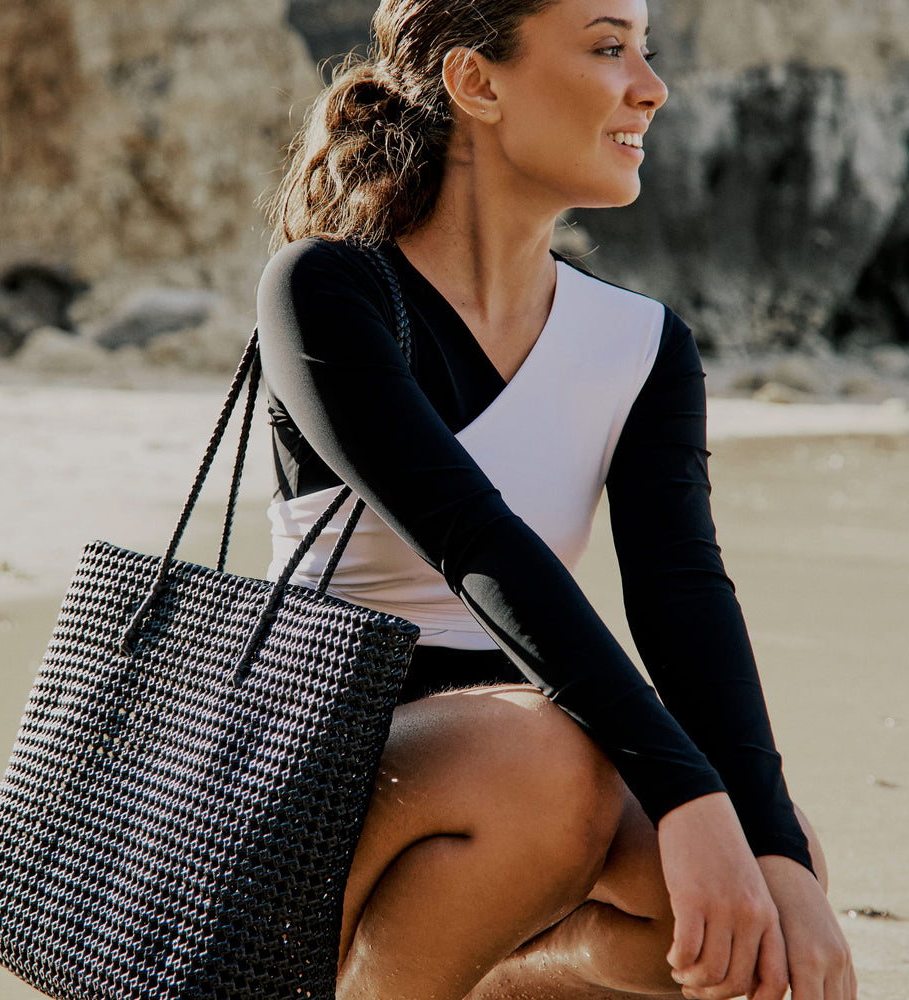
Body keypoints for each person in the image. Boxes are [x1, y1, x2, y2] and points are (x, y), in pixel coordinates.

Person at [256, 1, 857, 997]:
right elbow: (477, 540)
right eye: (608, 47)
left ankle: (503, 968)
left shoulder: (639, 343)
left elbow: (684, 595)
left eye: (646, 53)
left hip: (527, 771)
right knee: (551, 762)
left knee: (758, 875)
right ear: (475, 83)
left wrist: (769, 841)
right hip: (319, 774)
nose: (650, 88)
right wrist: (684, 790)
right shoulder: (330, 289)